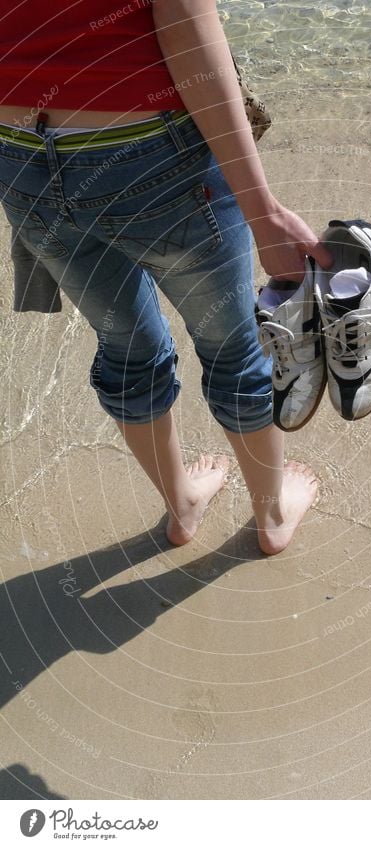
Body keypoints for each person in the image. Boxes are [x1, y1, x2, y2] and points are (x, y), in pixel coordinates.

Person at [0, 0, 333, 554]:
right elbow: (189, 38)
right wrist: (264, 211)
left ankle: (181, 506)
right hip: (149, 159)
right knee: (233, 348)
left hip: (18, 157)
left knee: (127, 346)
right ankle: (272, 517)